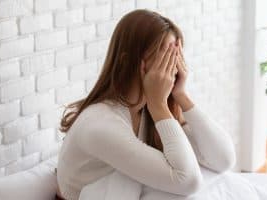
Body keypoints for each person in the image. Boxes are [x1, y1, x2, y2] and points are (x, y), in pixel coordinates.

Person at [56, 9, 236, 200]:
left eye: (176, 54)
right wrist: (159, 104)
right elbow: (188, 181)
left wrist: (181, 95)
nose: (174, 65)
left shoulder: (146, 109)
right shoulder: (100, 124)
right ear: (129, 62)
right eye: (166, 56)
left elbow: (223, 160)